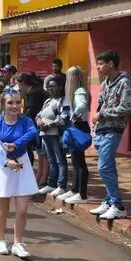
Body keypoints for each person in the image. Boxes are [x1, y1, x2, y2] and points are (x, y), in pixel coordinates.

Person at [0, 89, 39, 259]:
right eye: (10, 102)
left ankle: (18, 243)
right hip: (3, 166)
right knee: (3, 208)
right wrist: (6, 161)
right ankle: (0, 240)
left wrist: (16, 145)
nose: (15, 106)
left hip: (22, 163)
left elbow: (33, 133)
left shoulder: (26, 121)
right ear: (3, 104)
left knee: (23, 209)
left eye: (18, 102)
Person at [90, 50, 131, 220]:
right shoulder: (105, 84)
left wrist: (102, 114)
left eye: (101, 64)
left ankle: (118, 205)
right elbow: (100, 106)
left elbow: (127, 107)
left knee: (103, 167)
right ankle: (109, 201)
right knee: (109, 168)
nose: (98, 67)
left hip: (114, 129)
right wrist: (96, 122)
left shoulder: (124, 82)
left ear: (111, 64)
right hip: (101, 129)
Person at [60, 66, 90, 204]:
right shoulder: (79, 91)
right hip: (78, 126)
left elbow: (82, 105)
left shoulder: (79, 91)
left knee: (79, 162)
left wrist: (74, 116)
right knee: (76, 161)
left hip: (79, 127)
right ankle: (75, 189)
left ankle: (81, 194)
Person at [35, 78, 68, 197]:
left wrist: (50, 125)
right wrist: (39, 121)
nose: (50, 88)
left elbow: (64, 117)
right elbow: (39, 114)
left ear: (60, 87)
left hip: (56, 134)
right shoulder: (48, 101)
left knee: (60, 160)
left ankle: (61, 185)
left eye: (53, 86)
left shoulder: (63, 101)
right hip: (45, 135)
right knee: (51, 160)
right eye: (49, 86)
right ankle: (52, 183)